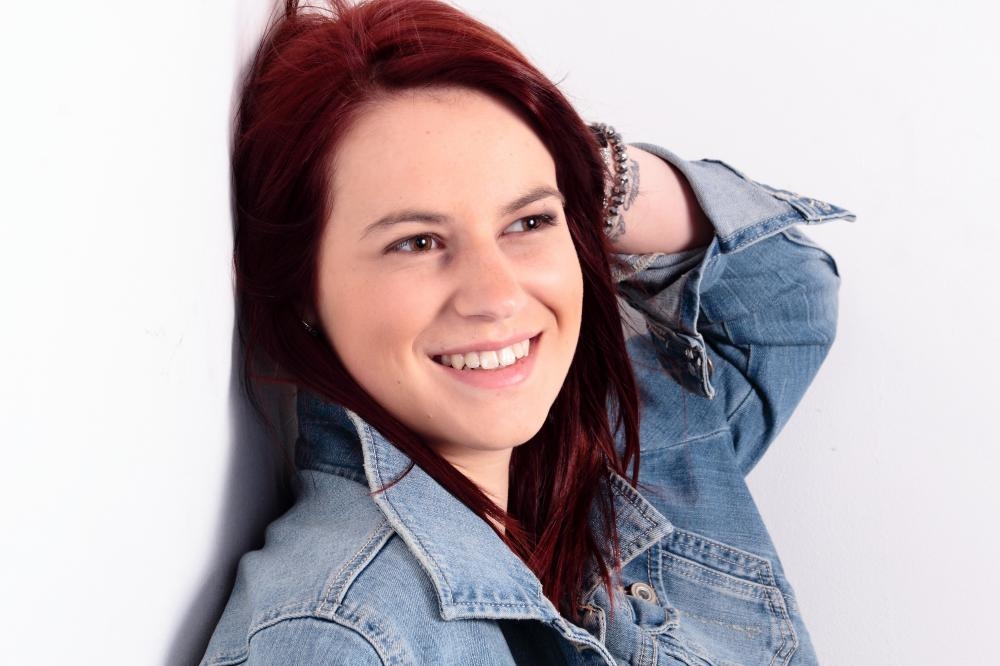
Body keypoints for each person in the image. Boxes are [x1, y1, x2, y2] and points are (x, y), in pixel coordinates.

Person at [201, 0, 853, 663]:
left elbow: (789, 296)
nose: (497, 296)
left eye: (529, 222)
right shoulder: (346, 638)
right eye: (417, 242)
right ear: (302, 286)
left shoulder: (618, 442)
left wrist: (582, 169)